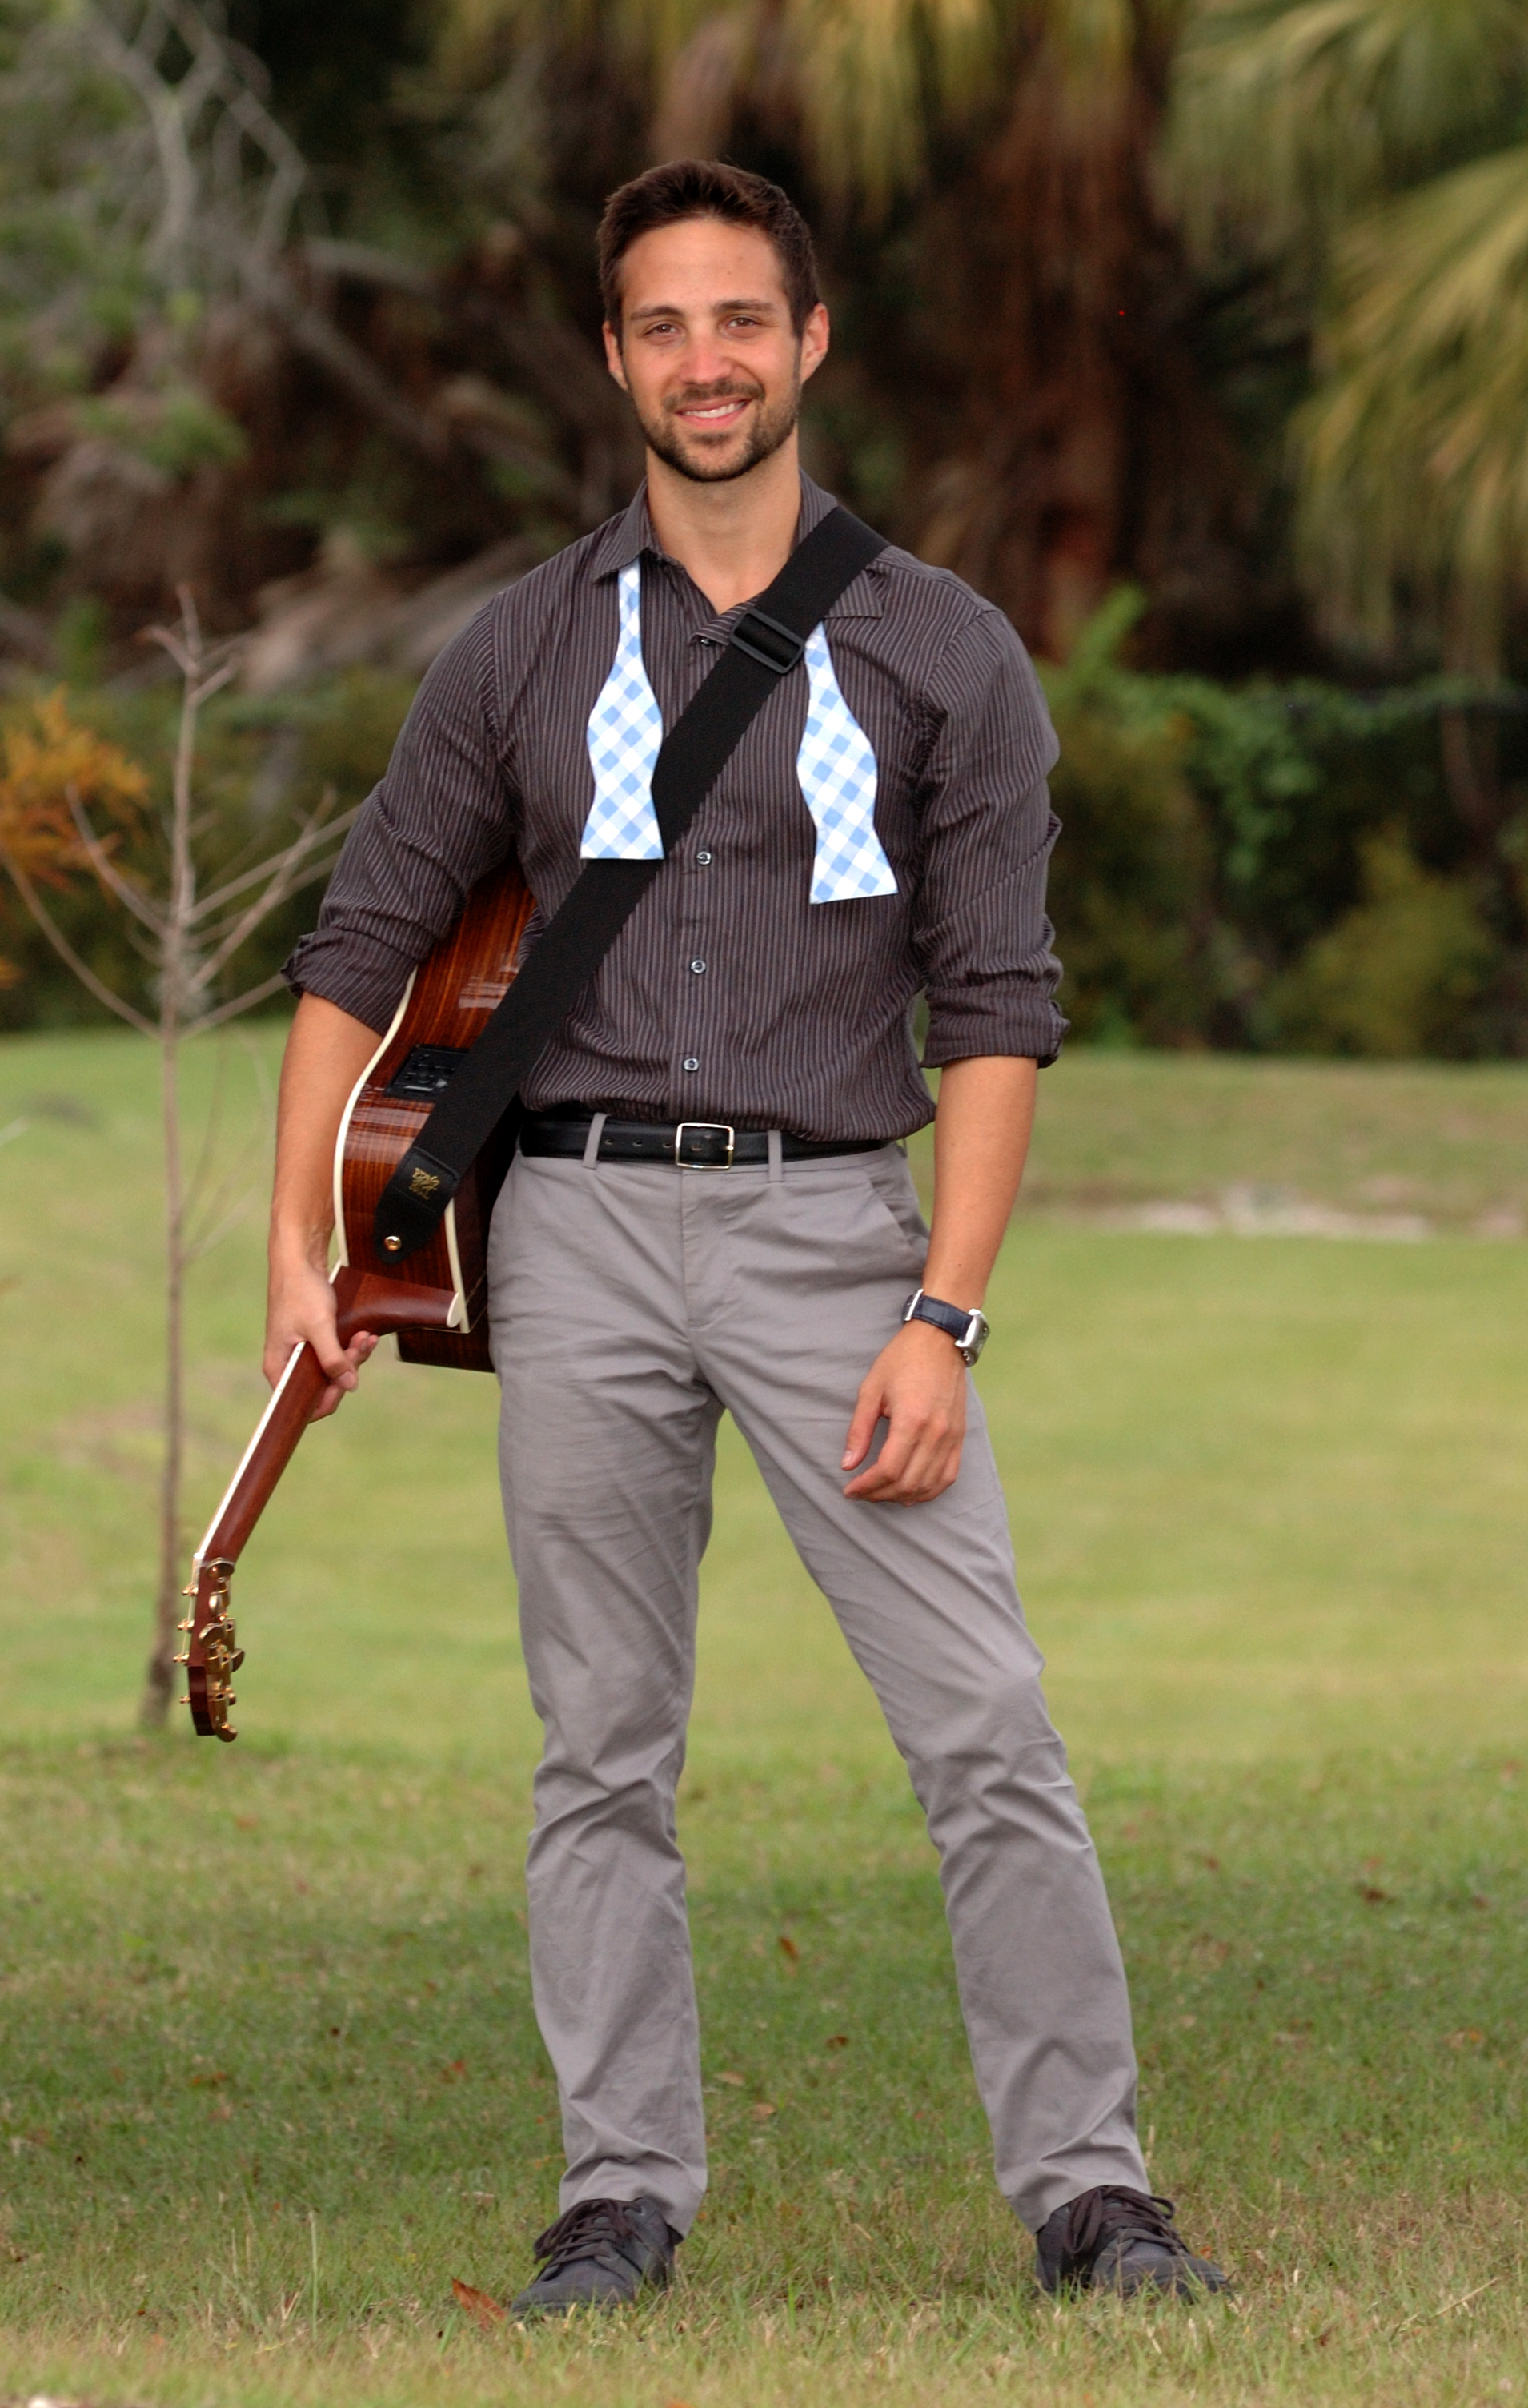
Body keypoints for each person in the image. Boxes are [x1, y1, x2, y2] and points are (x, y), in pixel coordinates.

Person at [268, 158, 1226, 2314]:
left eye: (740, 321)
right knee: (600, 1747)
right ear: (615, 359)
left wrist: (943, 1316)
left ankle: (1093, 2195)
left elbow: (998, 1009)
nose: (706, 361)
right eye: (663, 325)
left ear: (809, 343)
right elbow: (359, 942)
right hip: (579, 1235)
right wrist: (291, 1239)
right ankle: (619, 2196)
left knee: (985, 1729)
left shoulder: (943, 648)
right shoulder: (520, 645)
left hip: (835, 1237)